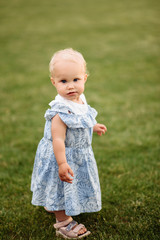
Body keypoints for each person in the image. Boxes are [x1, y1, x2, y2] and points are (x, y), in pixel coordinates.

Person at [31, 48, 107, 239]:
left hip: (79, 154)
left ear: (85, 78)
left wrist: (93, 126)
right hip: (63, 155)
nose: (71, 86)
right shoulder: (60, 111)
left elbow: (81, 121)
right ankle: (63, 222)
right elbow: (58, 139)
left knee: (73, 184)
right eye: (63, 81)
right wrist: (62, 163)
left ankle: (61, 205)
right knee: (60, 186)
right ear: (53, 82)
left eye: (76, 80)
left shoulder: (80, 101)